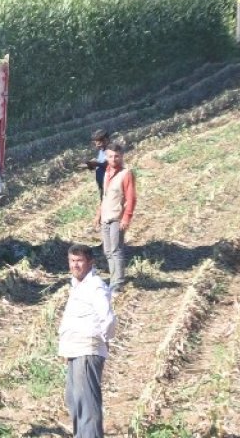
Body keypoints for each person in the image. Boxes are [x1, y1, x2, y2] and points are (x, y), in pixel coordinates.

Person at [58, 243, 117, 438]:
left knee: (87, 404)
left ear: (90, 262)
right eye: (72, 261)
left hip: (87, 350)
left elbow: (108, 318)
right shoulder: (78, 286)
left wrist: (101, 340)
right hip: (76, 351)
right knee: (74, 400)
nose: (75, 265)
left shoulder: (95, 286)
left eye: (79, 261)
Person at [94, 143, 136, 292]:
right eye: (110, 156)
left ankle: (117, 284)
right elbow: (104, 197)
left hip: (117, 217)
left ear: (122, 156)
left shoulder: (126, 174)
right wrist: (98, 214)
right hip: (106, 216)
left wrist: (126, 218)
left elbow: (131, 198)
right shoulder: (106, 172)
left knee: (116, 250)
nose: (114, 159)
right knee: (107, 251)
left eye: (117, 156)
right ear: (106, 157)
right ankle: (113, 280)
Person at [83, 130, 110, 196]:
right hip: (102, 184)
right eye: (96, 142)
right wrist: (89, 165)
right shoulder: (101, 151)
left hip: (110, 185)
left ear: (106, 140)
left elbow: (108, 164)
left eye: (99, 142)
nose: (97, 145)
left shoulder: (111, 151)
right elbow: (100, 164)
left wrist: (96, 163)